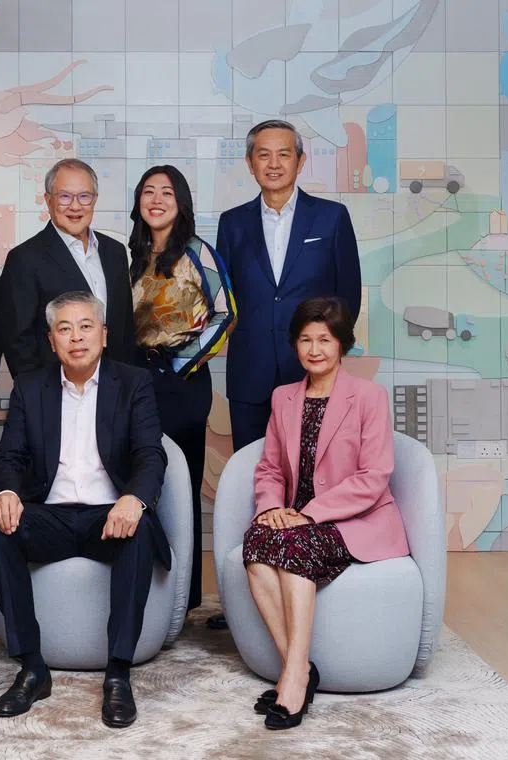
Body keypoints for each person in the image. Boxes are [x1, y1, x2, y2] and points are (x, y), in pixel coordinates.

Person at [0, 291, 170, 729]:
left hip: (110, 514)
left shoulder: (133, 383)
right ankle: (32, 666)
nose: (76, 337)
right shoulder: (32, 387)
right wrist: (4, 493)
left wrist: (134, 498)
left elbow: (150, 455)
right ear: (52, 342)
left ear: (104, 335)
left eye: (86, 326)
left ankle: (119, 673)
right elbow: (8, 456)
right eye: (64, 329)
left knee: (139, 528)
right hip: (52, 514)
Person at [208, 118, 362, 630]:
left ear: (299, 161)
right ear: (250, 163)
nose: (273, 163)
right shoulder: (231, 223)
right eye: (262, 155)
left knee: (318, 476)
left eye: (283, 154)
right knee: (262, 477)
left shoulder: (332, 218)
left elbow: (348, 297)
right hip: (251, 371)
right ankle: (257, 592)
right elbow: (223, 302)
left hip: (313, 373)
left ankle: (318, 582)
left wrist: (322, 350)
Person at [243, 296, 408, 730]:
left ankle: (294, 680)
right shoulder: (284, 398)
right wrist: (272, 508)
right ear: (295, 345)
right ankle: (300, 668)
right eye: (305, 340)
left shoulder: (369, 397)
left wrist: (310, 513)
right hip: (297, 517)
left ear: (342, 345)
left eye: (325, 340)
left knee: (294, 547)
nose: (314, 349)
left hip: (355, 519)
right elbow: (270, 468)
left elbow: (374, 477)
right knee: (257, 543)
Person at [129, 165, 236, 612]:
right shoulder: (128, 255)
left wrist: (179, 364)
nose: (156, 199)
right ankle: (147, 589)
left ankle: (185, 598)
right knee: (138, 480)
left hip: (181, 381)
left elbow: (225, 313)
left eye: (166, 192)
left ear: (181, 202)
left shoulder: (198, 251)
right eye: (148, 191)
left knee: (182, 485)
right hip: (135, 380)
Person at [0, 158, 135, 378]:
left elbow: (126, 329)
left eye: (84, 196)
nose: (75, 206)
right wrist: (38, 396)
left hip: (115, 389)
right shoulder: (24, 259)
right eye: (64, 196)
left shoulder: (114, 252)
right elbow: (17, 341)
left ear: (94, 200)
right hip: (55, 392)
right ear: (48, 200)